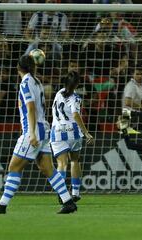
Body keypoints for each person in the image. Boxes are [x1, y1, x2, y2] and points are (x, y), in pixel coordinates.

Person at [0, 55, 77, 214]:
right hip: (44, 128)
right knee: (47, 168)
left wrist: (31, 132)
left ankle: (2, 205)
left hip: (35, 131)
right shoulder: (37, 81)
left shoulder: (25, 83)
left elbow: (31, 107)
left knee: (14, 166)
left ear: (18, 68)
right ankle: (68, 201)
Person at [51, 71, 94, 203]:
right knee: (75, 161)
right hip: (73, 132)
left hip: (57, 131)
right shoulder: (75, 98)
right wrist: (86, 132)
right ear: (78, 84)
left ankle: (62, 193)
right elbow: (75, 115)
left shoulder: (58, 94)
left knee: (61, 164)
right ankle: (75, 193)